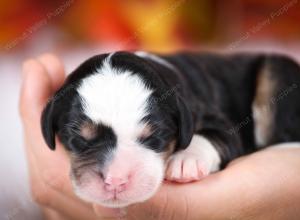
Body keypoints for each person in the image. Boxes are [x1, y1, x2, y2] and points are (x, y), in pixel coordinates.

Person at [19, 53, 300, 220]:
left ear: (183, 124)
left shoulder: (182, 101)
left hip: (266, 90)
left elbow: (224, 132)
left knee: (278, 73)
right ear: (51, 124)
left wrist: (199, 150)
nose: (114, 177)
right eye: (82, 141)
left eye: (150, 139)